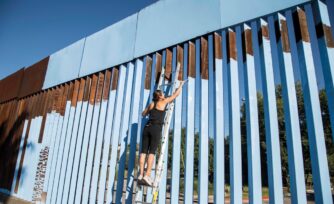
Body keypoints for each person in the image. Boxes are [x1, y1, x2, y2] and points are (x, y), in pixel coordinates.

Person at [138, 80, 186, 186]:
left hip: (147, 128)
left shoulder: (152, 104)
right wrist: (181, 85)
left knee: (143, 152)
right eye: (162, 94)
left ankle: (140, 174)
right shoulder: (163, 102)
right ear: (159, 96)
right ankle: (147, 175)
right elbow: (176, 95)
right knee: (151, 153)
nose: (164, 95)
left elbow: (143, 114)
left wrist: (149, 111)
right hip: (155, 128)